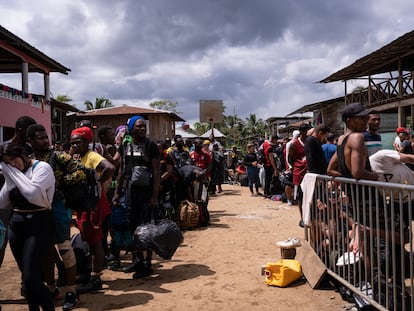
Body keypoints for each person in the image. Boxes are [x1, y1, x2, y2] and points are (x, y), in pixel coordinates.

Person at [27, 124, 85, 310]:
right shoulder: (28, 160)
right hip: (38, 209)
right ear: (30, 141)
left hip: (58, 207)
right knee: (45, 250)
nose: (45, 141)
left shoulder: (59, 156)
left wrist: (60, 182)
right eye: (40, 138)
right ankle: (51, 288)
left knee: (65, 248)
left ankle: (71, 291)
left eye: (46, 137)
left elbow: (81, 172)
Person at [0, 143, 55, 311]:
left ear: (23, 154)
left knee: (32, 278)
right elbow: (3, 201)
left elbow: (33, 194)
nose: (13, 165)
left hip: (38, 222)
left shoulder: (41, 168)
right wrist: (9, 175)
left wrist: (10, 172)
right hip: (17, 224)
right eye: (7, 163)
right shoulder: (14, 173)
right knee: (27, 278)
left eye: (14, 160)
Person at [112, 116, 160, 279]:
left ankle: (147, 263)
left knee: (146, 228)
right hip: (130, 193)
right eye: (138, 127)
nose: (142, 129)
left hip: (146, 193)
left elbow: (156, 171)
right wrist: (117, 193)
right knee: (132, 227)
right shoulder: (125, 146)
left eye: (144, 126)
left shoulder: (150, 146)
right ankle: (136, 260)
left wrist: (154, 196)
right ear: (131, 128)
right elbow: (120, 170)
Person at [327, 102, 378, 254]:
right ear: (349, 120)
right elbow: (357, 172)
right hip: (366, 197)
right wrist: (375, 176)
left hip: (353, 196)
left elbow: (330, 169)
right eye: (361, 118)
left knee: (365, 241)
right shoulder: (357, 137)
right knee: (393, 233)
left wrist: (345, 178)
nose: (366, 121)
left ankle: (369, 274)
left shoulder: (342, 139)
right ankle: (373, 274)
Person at [70, 126, 115, 293]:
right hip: (84, 204)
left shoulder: (92, 156)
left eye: (78, 143)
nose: (74, 146)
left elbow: (109, 168)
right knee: (89, 238)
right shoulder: (77, 157)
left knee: (95, 241)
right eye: (72, 143)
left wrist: (95, 183)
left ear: (87, 142)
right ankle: (90, 272)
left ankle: (96, 277)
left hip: (93, 204)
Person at [0, 116, 37, 270]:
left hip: (27, 202)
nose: (31, 136)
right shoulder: (3, 149)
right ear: (20, 130)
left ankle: (28, 279)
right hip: (6, 203)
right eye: (29, 132)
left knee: (27, 242)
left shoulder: (30, 149)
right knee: (2, 242)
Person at [288, 123, 311, 227]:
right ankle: (302, 217)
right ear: (302, 132)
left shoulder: (310, 142)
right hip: (299, 173)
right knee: (300, 197)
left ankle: (309, 216)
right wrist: (298, 166)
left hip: (309, 172)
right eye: (307, 130)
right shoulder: (294, 144)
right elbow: (290, 159)